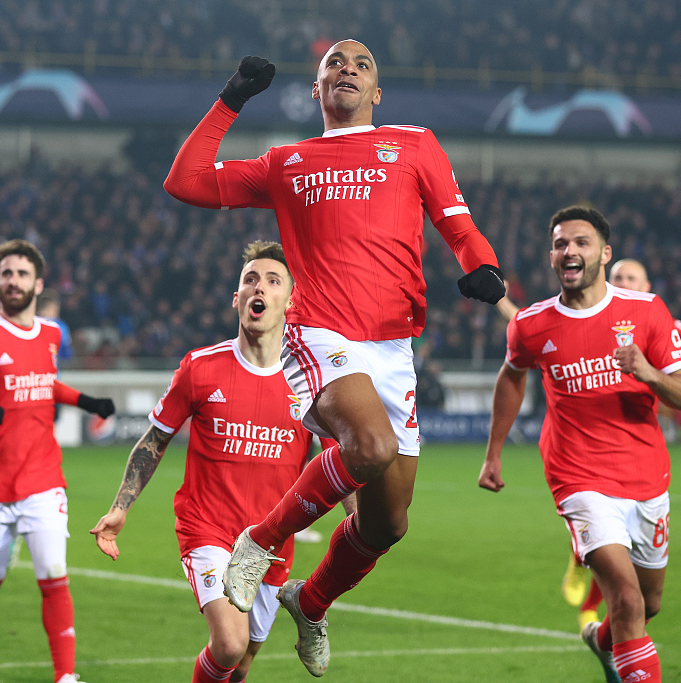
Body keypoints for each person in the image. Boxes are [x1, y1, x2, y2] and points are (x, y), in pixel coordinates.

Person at [163, 41, 504, 677]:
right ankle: (259, 542)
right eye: (333, 65)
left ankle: (310, 601)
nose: (345, 67)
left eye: (360, 64)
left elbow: (456, 220)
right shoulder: (288, 161)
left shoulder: (414, 145)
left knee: (388, 523)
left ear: (377, 93)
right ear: (317, 91)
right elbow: (185, 182)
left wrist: (481, 264)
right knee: (369, 448)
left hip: (392, 346)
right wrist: (231, 99)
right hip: (319, 334)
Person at [91, 241, 338, 683]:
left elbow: (336, 462)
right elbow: (154, 440)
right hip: (209, 530)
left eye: (272, 280)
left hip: (271, 541)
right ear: (237, 299)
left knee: (241, 665)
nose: (258, 287)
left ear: (290, 301)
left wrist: (360, 526)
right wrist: (120, 506)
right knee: (228, 645)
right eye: (250, 280)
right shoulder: (201, 367)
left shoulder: (311, 381)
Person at [479, 206, 681, 683]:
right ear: (552, 257)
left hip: (645, 476)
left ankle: (603, 640)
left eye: (581, 242)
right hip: (578, 478)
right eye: (560, 244)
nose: (569, 251)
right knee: (627, 597)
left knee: (648, 603)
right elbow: (512, 377)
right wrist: (493, 452)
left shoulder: (646, 311)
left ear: (605, 253)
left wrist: (647, 372)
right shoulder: (532, 324)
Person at [0, 239, 115, 683]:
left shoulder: (50, 333)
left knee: (53, 573)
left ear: (38, 283)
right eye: (7, 274)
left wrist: (87, 400)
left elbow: (46, 383)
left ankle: (65, 677)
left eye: (22, 274)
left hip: (43, 478)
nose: (13, 281)